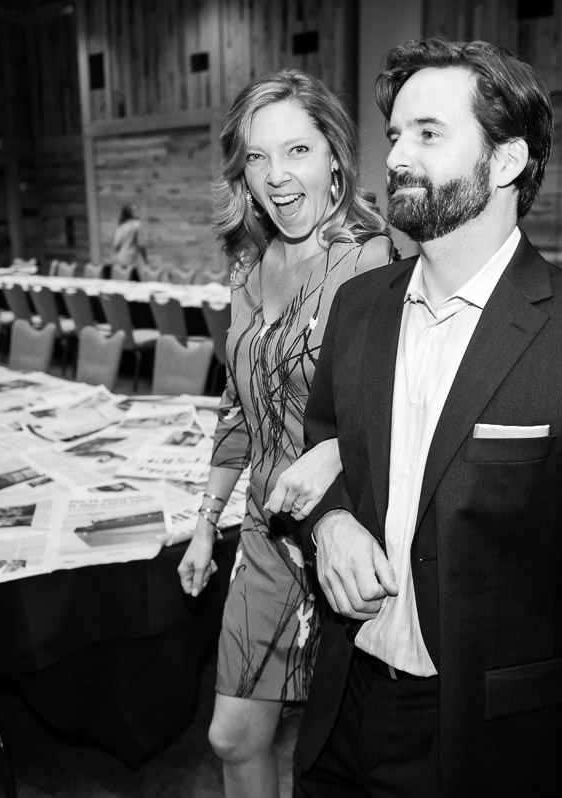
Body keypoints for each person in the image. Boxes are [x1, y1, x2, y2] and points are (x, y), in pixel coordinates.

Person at [292, 39, 562, 798]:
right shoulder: (359, 306)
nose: (395, 156)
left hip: (480, 735)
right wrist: (328, 522)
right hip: (340, 706)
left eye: (428, 134)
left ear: (505, 161)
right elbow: (325, 440)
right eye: (395, 134)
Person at [176, 69, 394, 798]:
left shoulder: (373, 259)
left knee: (348, 756)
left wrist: (333, 449)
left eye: (297, 150)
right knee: (232, 737)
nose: (277, 175)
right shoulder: (249, 263)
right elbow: (236, 404)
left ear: (334, 155)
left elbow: (402, 407)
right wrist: (206, 522)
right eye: (258, 157)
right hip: (266, 532)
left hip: (348, 530)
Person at [111, 202, 147, 278]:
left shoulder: (121, 226)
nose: (138, 212)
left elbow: (116, 245)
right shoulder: (136, 225)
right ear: (130, 212)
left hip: (120, 258)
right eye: (135, 210)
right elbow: (141, 244)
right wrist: (145, 259)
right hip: (132, 259)